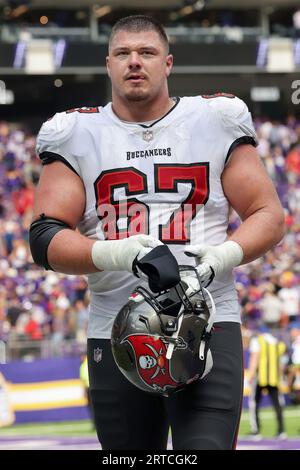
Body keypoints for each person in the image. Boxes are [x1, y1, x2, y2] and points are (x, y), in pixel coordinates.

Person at [29, 15, 285, 450]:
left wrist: (224, 255)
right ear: (108, 64)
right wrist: (115, 253)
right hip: (116, 328)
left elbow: (269, 214)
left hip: (206, 320)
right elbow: (44, 236)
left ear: (167, 63)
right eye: (124, 54)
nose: (135, 62)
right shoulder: (76, 132)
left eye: (146, 52)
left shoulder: (215, 119)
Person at [247, 328, 287, 439]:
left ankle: (256, 431)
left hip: (260, 377)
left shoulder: (257, 340)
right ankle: (281, 431)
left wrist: (250, 375)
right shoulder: (277, 342)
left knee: (254, 403)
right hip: (274, 378)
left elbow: (255, 357)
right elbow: (281, 362)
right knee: (278, 404)